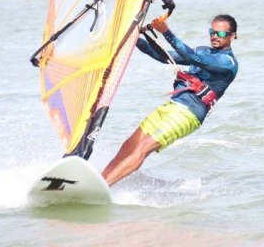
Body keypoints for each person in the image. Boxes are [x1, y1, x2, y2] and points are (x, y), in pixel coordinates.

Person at [101, 14, 239, 186]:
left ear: (232, 36)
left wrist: (166, 32)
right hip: (172, 105)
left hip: (189, 114)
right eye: (212, 32)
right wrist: (134, 38)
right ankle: (98, 180)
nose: (214, 36)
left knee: (143, 148)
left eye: (220, 34)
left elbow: (195, 59)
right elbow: (163, 56)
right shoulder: (204, 50)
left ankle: (105, 186)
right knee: (129, 145)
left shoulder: (228, 63)